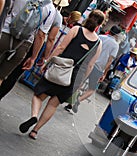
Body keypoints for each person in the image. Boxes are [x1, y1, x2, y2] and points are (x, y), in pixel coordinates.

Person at [19, 9, 105, 140]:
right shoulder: (98, 44)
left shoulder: (76, 30)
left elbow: (60, 48)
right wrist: (80, 83)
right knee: (53, 104)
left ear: (87, 18)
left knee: (38, 95)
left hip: (59, 68)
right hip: (74, 78)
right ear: (99, 25)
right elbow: (90, 65)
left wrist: (47, 62)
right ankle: (35, 131)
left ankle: (34, 116)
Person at [0, 1, 66, 100]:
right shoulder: (51, 10)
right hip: (24, 45)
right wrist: (35, 58)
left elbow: (6, 9)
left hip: (5, 33)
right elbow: (43, 36)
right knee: (5, 76)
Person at [64, 25, 121, 113]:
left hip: (88, 63)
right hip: (99, 69)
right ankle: (78, 99)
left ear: (109, 31)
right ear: (117, 35)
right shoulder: (115, 45)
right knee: (91, 89)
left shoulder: (100, 37)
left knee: (80, 82)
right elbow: (110, 61)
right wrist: (105, 73)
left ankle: (71, 102)